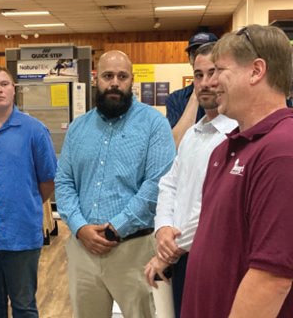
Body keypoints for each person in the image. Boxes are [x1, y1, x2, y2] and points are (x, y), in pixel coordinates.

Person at [182, 24, 293, 317]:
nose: (211, 82)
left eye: (220, 70)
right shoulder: (226, 149)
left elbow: (272, 277)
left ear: (256, 71)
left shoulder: (283, 151)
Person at [55, 50, 176, 318]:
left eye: (122, 77)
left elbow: (157, 184)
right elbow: (63, 181)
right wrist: (79, 226)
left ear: (131, 81)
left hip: (134, 250)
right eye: (108, 76)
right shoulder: (79, 128)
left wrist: (116, 228)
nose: (114, 83)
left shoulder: (154, 124)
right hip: (83, 250)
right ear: (97, 79)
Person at [143, 43, 237, 317]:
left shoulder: (235, 134)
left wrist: (169, 250)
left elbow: (215, 204)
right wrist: (162, 229)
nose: (206, 83)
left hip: (211, 257)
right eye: (198, 75)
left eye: (213, 73)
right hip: (180, 255)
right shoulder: (194, 134)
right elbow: (168, 184)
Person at [0, 66, 57, 318]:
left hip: (22, 233)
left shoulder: (34, 130)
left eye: (4, 84)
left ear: (13, 88)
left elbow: (47, 181)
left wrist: (24, 204)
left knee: (24, 305)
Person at [166, 32, 218, 147]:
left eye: (207, 50)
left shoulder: (229, 96)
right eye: (194, 53)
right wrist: (196, 94)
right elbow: (174, 145)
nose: (201, 56)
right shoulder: (176, 98)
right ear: (190, 59)